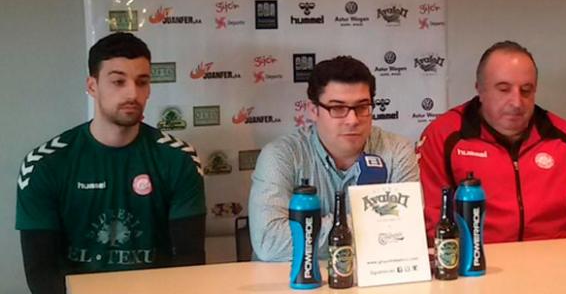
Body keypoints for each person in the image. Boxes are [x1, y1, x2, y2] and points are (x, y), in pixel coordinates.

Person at [15, 32, 206, 294]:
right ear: (92, 86)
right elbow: (41, 273)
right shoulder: (44, 164)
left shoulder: (179, 158)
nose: (132, 93)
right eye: (118, 81)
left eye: (142, 82)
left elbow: (190, 260)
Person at [418, 41, 566, 245]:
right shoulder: (444, 135)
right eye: (503, 89)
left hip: (557, 264)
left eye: (526, 90)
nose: (516, 102)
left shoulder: (562, 136)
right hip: (476, 264)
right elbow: (430, 218)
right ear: (480, 89)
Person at [248, 56, 419, 261]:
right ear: (313, 110)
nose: (352, 120)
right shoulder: (281, 156)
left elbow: (409, 229)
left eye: (362, 107)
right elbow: (271, 243)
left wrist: (310, 230)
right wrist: (374, 224)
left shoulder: (397, 151)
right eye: (338, 108)